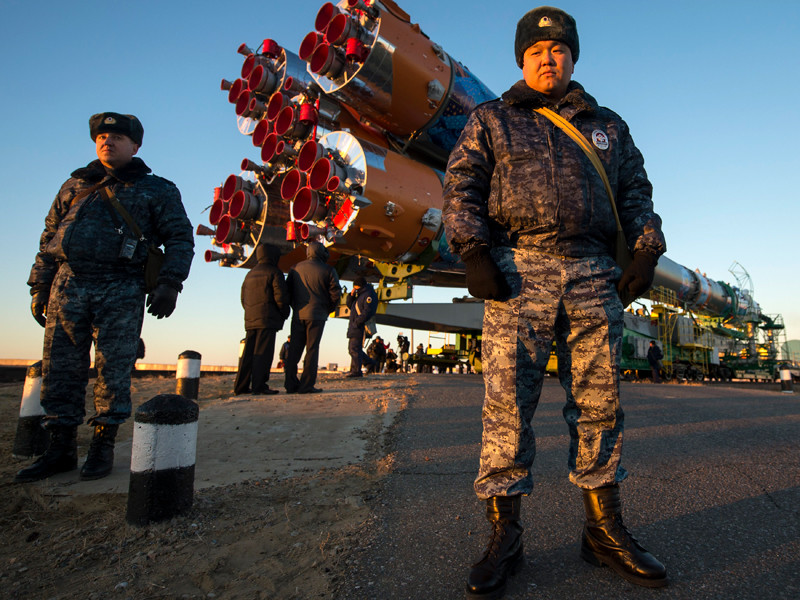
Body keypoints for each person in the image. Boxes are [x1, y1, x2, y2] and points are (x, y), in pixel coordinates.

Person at [442, 7, 668, 597]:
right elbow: (462, 185)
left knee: (599, 405)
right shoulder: (492, 120)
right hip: (519, 272)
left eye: (559, 49)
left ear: (573, 57)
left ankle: (603, 531)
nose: (549, 58)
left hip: (593, 273)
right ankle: (506, 535)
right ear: (522, 60)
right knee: (507, 408)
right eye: (537, 51)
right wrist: (473, 251)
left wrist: (645, 251)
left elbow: (637, 192)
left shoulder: (608, 125)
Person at [17, 112, 194, 484]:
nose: (107, 141)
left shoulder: (157, 190)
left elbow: (180, 237)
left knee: (112, 369)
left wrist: (170, 283)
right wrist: (40, 286)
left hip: (121, 286)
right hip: (68, 284)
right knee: (60, 369)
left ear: (135, 146)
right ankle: (60, 448)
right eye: (101, 137)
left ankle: (102, 445)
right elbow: (49, 238)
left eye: (116, 137)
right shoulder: (74, 185)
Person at [283, 242, 341, 394]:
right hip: (317, 315)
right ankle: (306, 385)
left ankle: (290, 384)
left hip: (299, 314)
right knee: (312, 349)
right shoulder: (328, 269)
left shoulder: (295, 268)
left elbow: (287, 291)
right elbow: (336, 293)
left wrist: (295, 306)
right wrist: (327, 309)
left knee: (294, 350)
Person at [234, 244, 290, 396]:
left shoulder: (250, 274)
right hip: (267, 319)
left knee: (248, 354)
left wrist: (250, 312)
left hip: (251, 319)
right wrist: (284, 313)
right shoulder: (274, 272)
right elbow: (281, 297)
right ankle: (259, 386)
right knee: (263, 354)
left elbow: (243, 298)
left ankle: (240, 386)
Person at [346, 276, 377, 378]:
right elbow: (351, 306)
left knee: (354, 349)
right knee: (353, 349)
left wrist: (357, 322)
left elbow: (368, 311)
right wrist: (351, 296)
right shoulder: (360, 295)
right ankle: (368, 363)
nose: (354, 288)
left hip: (359, 326)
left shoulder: (368, 295)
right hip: (355, 325)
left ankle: (356, 371)